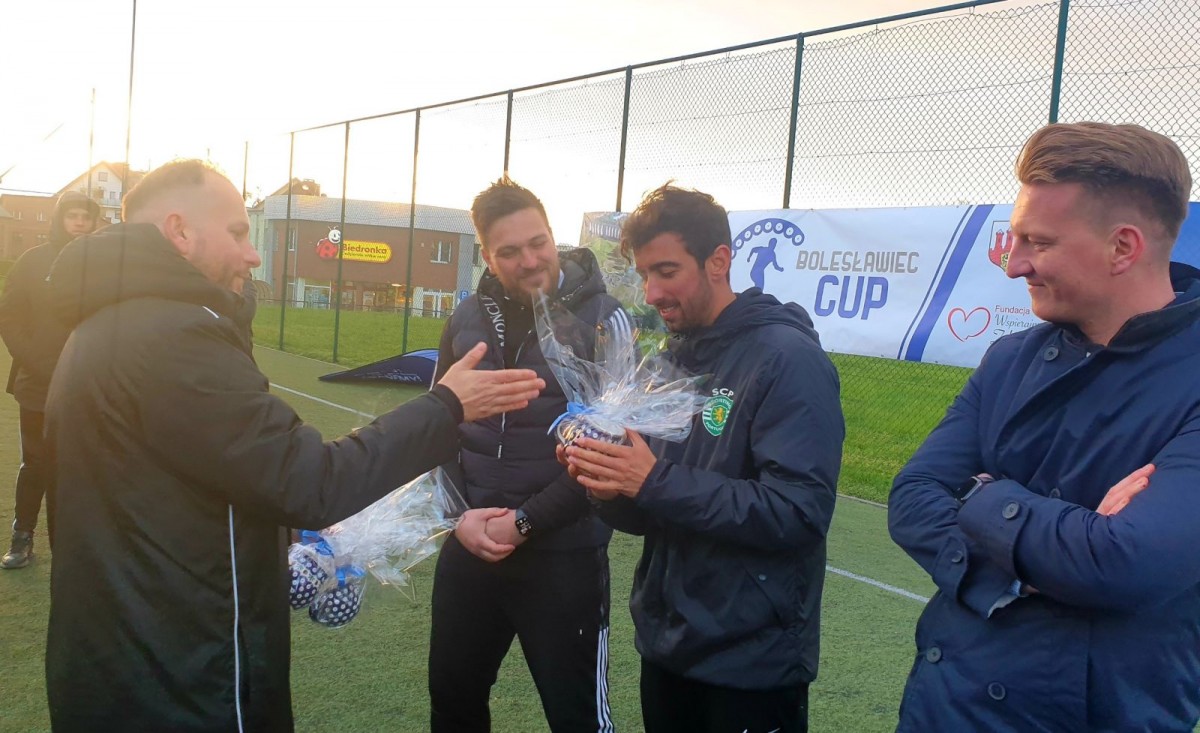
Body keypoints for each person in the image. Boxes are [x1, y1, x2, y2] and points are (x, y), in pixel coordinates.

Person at [40, 160, 544, 733]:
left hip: (128, 658)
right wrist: (447, 406)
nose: (252, 255)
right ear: (179, 230)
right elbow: (309, 481)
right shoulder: (172, 336)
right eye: (235, 233)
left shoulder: (109, 324)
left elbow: (193, 486)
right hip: (179, 676)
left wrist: (293, 541)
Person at [887, 122, 1200, 731]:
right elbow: (912, 498)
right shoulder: (1011, 358)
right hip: (943, 705)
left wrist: (984, 499)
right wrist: (1034, 568)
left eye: (1038, 242)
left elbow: (1127, 565)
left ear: (1123, 248)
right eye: (1013, 239)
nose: (1014, 265)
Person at [563, 184, 844, 733]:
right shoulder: (671, 359)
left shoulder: (788, 361)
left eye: (667, 271)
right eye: (644, 275)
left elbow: (799, 512)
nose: (653, 292)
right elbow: (651, 509)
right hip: (669, 646)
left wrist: (653, 479)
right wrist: (606, 483)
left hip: (749, 664)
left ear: (719, 261)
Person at [428, 176, 629, 732]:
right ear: (488, 257)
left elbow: (611, 452)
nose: (529, 260)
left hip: (562, 554)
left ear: (552, 234)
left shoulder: (603, 319)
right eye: (509, 252)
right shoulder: (465, 318)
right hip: (471, 543)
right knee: (453, 703)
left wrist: (525, 521)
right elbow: (437, 427)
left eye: (538, 242)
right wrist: (459, 517)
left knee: (578, 719)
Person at [0, 190, 99, 568]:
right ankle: (22, 538)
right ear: (60, 219)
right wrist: (36, 361)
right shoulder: (32, 261)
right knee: (36, 462)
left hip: (87, 384)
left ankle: (75, 545)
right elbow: (9, 316)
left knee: (81, 465)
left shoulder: (101, 266)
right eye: (72, 215)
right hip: (37, 383)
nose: (78, 222)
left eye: (85, 217)